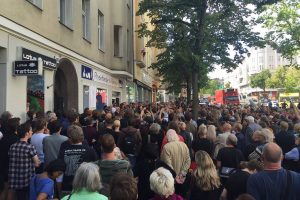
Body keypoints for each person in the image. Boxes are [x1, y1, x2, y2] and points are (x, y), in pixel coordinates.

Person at [58, 125, 97, 192]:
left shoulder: (63, 151)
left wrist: (59, 190)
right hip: (86, 188)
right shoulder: (90, 151)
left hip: (68, 188)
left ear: (69, 137)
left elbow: (59, 174)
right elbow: (95, 170)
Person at [8, 122, 41, 200]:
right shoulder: (30, 147)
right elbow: (37, 163)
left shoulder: (12, 146)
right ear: (27, 133)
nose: (32, 132)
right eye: (31, 131)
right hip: (27, 179)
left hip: (15, 179)